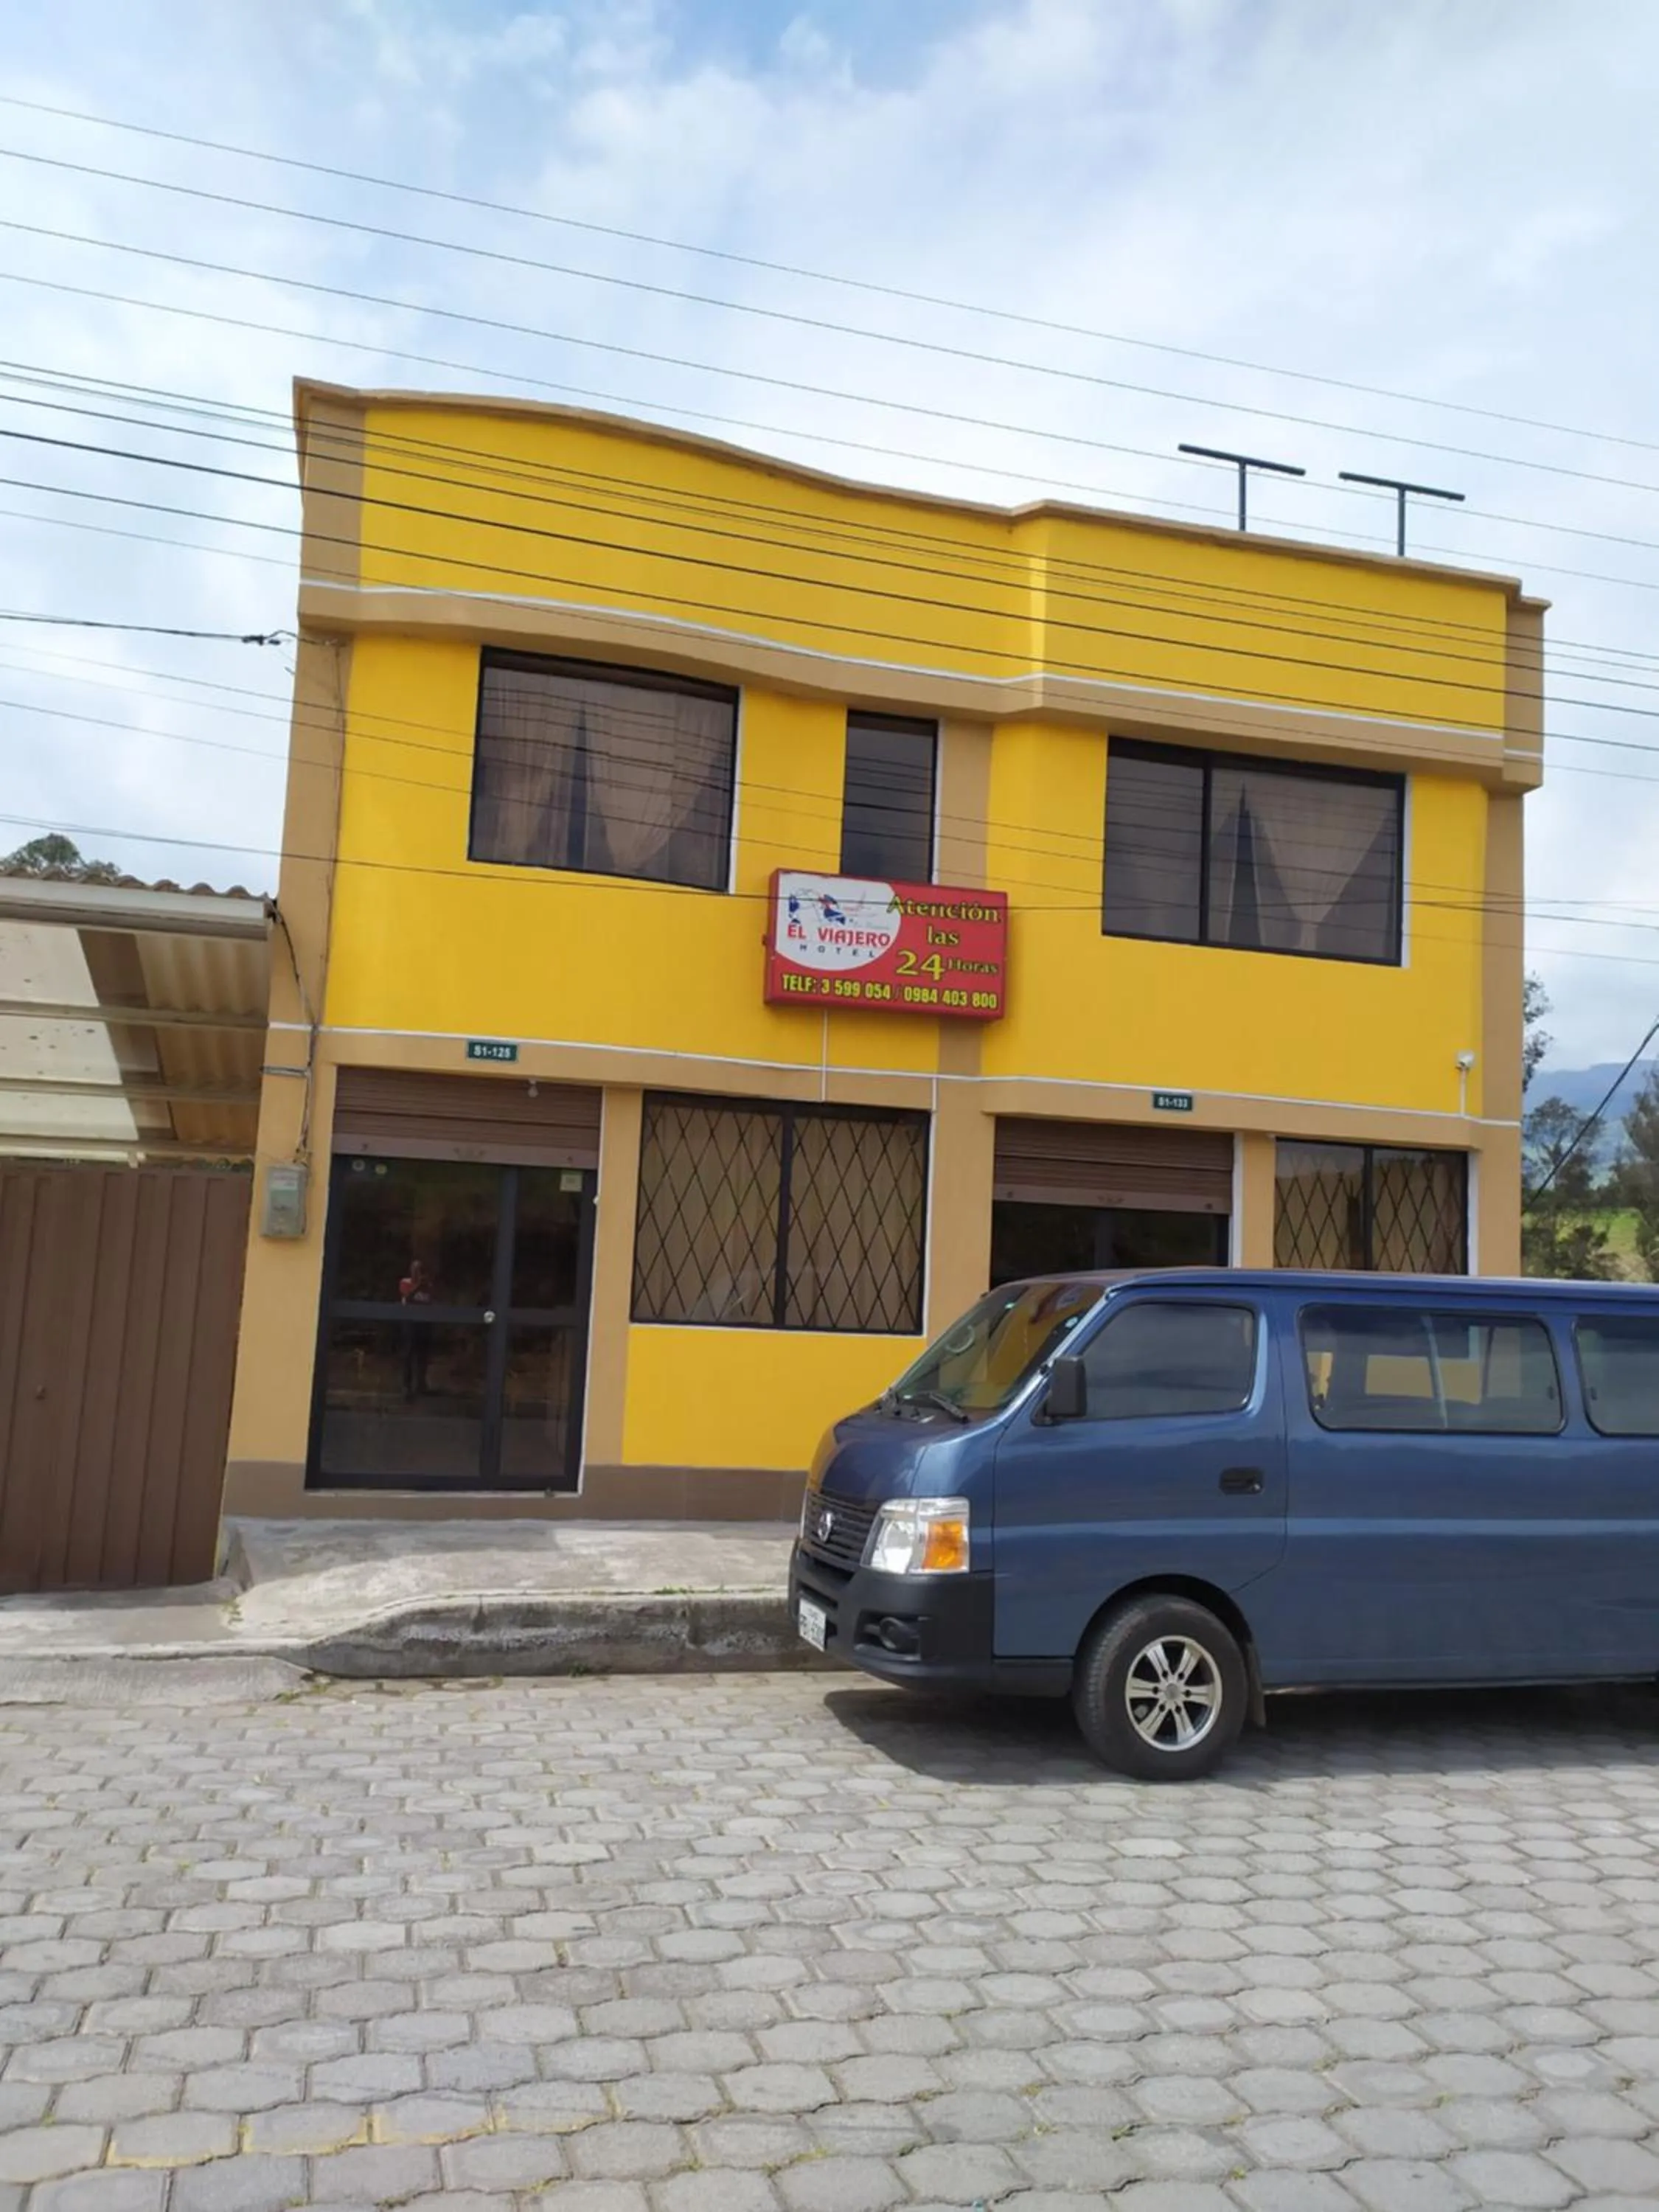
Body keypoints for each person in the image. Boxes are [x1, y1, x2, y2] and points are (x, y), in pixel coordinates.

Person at [399, 1257, 432, 1400]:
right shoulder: (406, 1283)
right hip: (410, 1323)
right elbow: (407, 1296)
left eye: (420, 1270)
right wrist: (418, 1284)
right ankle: (407, 1385)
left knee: (423, 1355)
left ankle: (421, 1383)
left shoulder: (428, 1286)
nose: (418, 1272)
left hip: (424, 1323)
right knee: (408, 1354)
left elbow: (433, 1302)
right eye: (415, 1270)